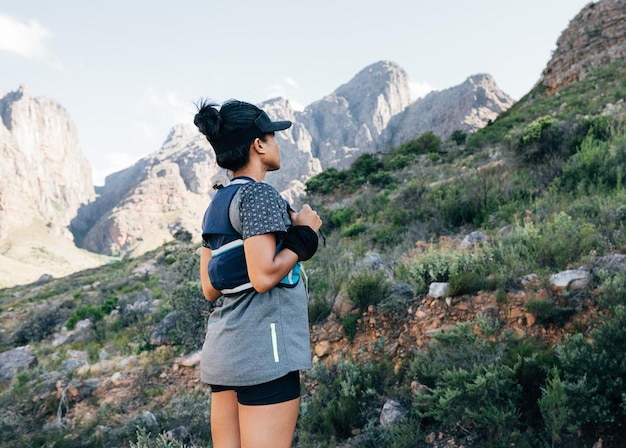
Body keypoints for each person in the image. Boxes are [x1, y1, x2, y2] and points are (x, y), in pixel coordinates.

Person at [194, 99, 322, 448]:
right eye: (273, 136)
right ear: (259, 144)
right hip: (265, 355)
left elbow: (209, 288)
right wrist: (305, 234)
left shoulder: (216, 205)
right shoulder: (260, 195)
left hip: (225, 354)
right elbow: (264, 276)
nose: (278, 144)